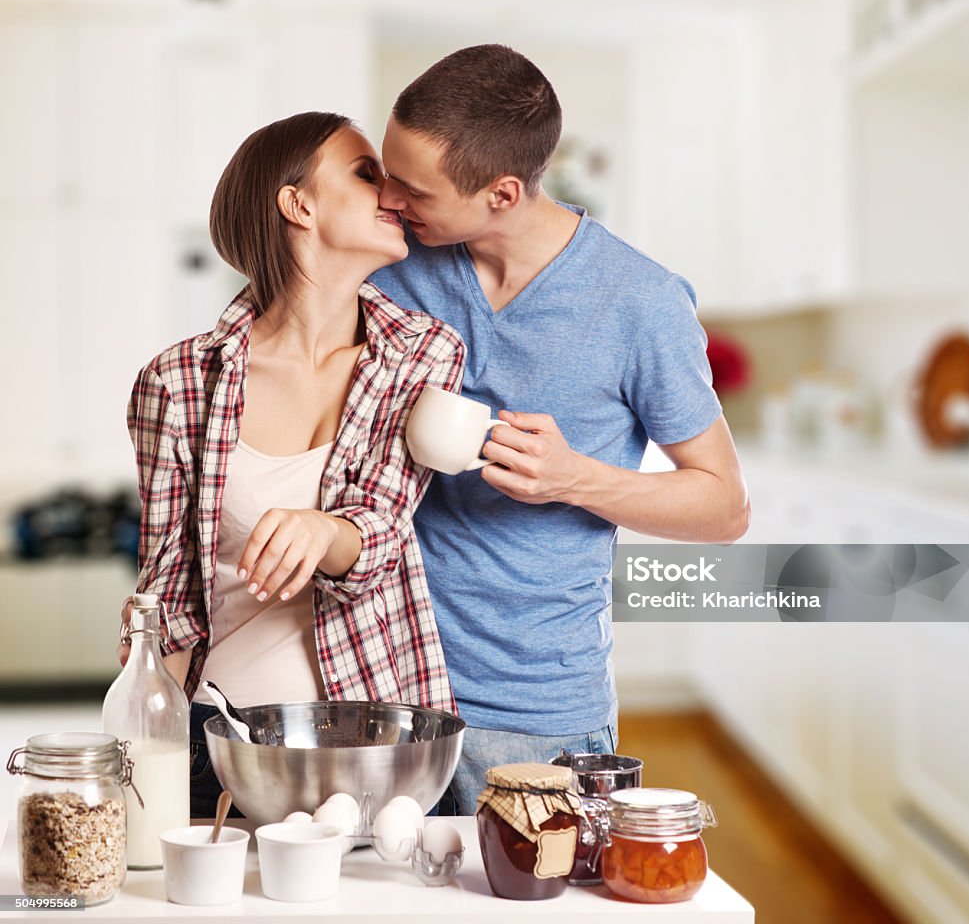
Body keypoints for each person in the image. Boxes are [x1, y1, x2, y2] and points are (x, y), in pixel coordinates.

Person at [372, 44, 750, 814]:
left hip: (535, 709)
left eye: (412, 188)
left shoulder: (637, 302)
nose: (389, 198)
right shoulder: (393, 261)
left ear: (502, 193)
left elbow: (725, 508)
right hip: (385, 686)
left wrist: (576, 478)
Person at [123, 111, 465, 817]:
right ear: (298, 203)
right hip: (225, 745)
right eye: (367, 174)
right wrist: (136, 763)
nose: (393, 194)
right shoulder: (179, 380)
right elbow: (167, 595)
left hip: (379, 738)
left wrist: (322, 532)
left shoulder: (425, 352)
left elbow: (382, 526)